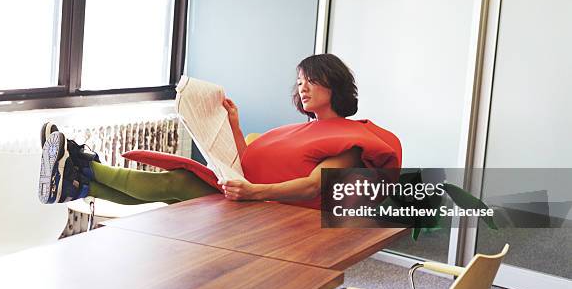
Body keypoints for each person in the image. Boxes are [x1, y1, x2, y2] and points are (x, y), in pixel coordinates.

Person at [38, 54, 401, 208]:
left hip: (275, 213)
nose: (302, 88)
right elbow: (249, 162)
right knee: (176, 192)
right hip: (248, 193)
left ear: (334, 85)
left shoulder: (349, 142)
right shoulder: (302, 130)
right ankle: (79, 182)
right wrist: (234, 126)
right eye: (300, 81)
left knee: (178, 183)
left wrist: (255, 193)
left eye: (312, 81)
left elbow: (314, 185)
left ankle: (82, 167)